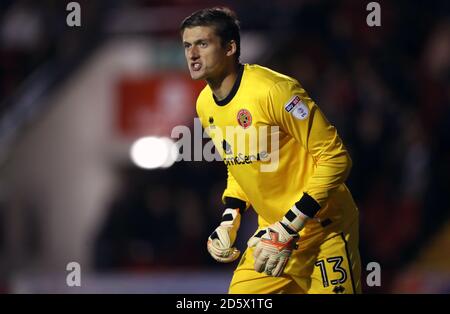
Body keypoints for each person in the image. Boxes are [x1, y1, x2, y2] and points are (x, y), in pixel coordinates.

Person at [180, 7, 361, 294]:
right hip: (272, 236)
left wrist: (290, 225)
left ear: (230, 47)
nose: (192, 54)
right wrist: (231, 219)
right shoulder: (205, 104)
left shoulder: (275, 91)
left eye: (202, 43)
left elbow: (336, 158)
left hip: (324, 231)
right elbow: (239, 163)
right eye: (187, 45)